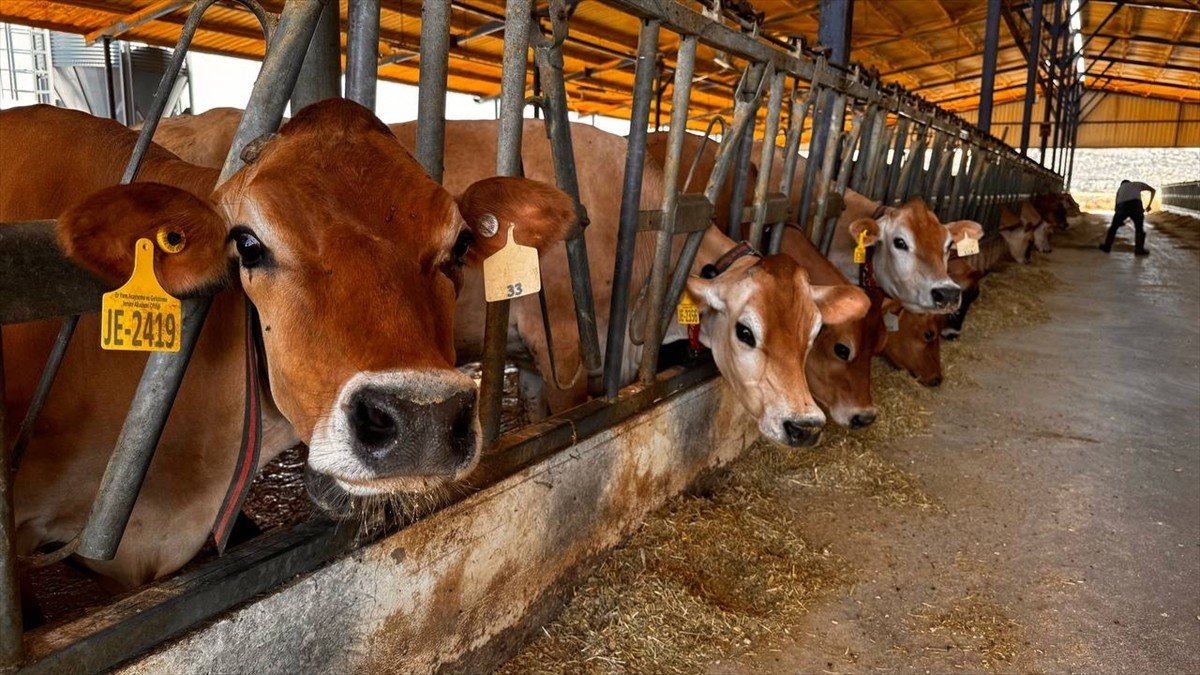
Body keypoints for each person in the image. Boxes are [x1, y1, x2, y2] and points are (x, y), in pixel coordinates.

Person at [1100, 179, 1155, 256]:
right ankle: (1139, 250)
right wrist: (1149, 205)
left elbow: (1116, 207)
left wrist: (1119, 221)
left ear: (1122, 184)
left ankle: (1107, 246)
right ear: (1129, 182)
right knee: (1139, 229)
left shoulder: (1120, 189)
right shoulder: (1137, 184)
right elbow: (1153, 190)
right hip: (1136, 206)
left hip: (1122, 207)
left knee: (1113, 227)